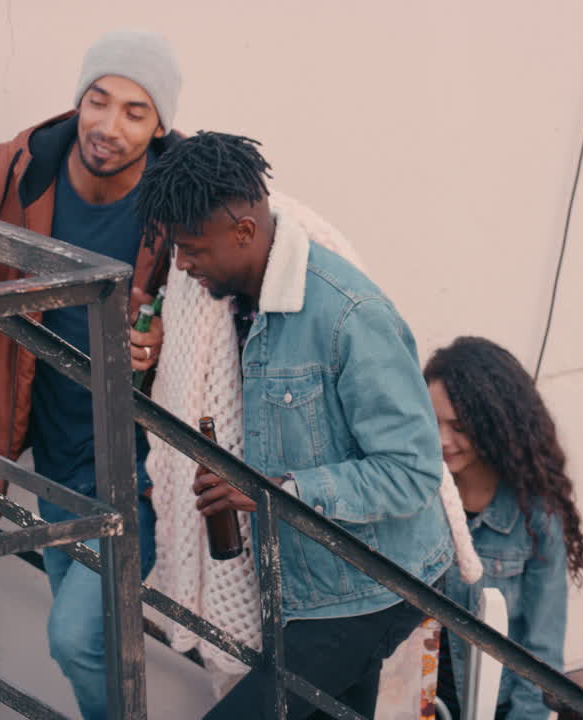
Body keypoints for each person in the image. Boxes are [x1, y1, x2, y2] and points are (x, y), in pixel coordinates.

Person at [0, 29, 181, 720]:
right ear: (79, 99)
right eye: (98, 100)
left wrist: (162, 342)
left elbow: (220, 307)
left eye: (134, 112)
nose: (108, 126)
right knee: (96, 643)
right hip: (54, 460)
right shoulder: (16, 168)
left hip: (142, 465)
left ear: (160, 124)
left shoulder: (179, 199)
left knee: (76, 638)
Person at [134, 131, 453, 719]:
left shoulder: (350, 317)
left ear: (245, 233)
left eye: (193, 249)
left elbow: (411, 472)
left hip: (370, 586)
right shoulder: (225, 301)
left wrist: (273, 492)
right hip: (305, 587)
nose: (182, 265)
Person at [422, 336, 583, 720]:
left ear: (494, 424)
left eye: (459, 426)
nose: (442, 441)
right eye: (432, 422)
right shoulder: (417, 501)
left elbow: (542, 658)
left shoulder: (536, 518)